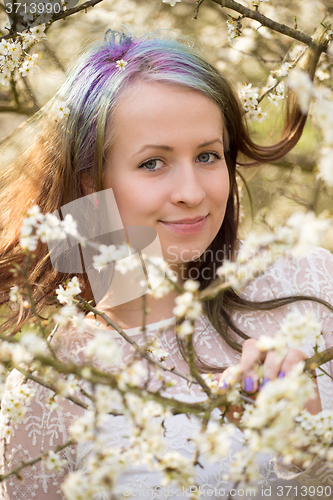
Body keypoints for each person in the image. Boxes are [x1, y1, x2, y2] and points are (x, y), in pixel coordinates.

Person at [0, 29, 333, 499]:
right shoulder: (49, 388)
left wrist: (311, 454)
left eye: (207, 156)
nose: (193, 192)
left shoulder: (314, 285)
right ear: (90, 182)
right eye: (153, 163)